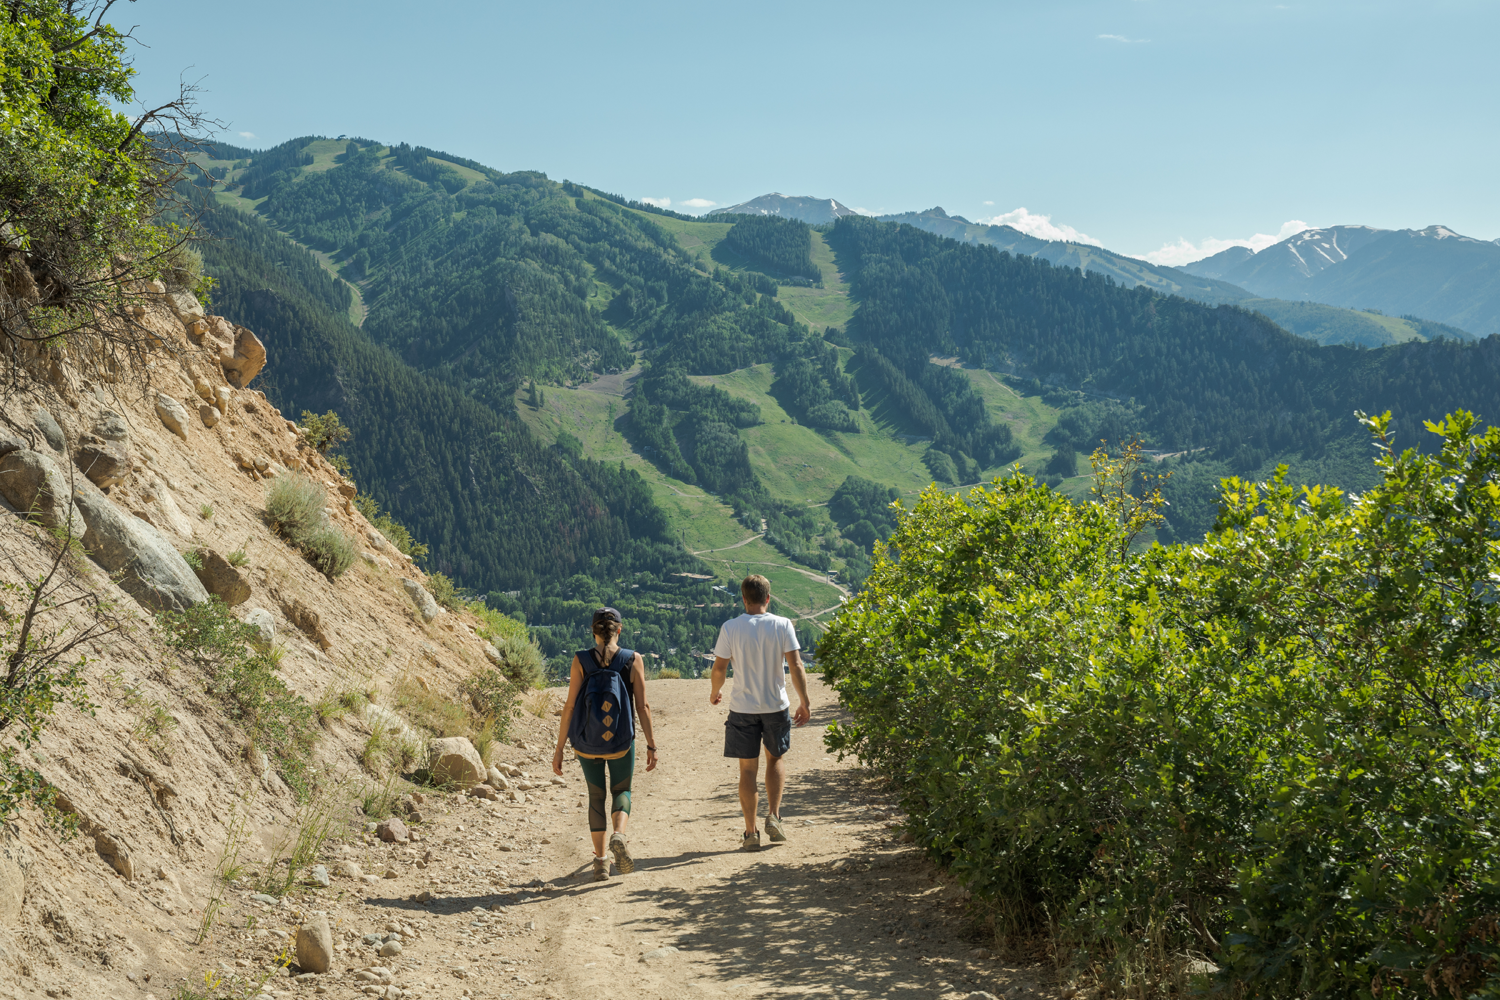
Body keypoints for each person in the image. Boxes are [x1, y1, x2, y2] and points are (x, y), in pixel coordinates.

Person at [552, 607, 658, 881]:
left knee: (596, 796)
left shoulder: (580, 660)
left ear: (593, 631)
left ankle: (601, 862)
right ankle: (619, 835)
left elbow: (571, 706)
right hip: (621, 742)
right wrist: (651, 745)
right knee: (622, 789)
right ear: (619, 629)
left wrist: (560, 747)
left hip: (586, 743)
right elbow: (643, 706)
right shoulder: (632, 659)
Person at [709, 574, 812, 850]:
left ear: (744, 599)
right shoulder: (782, 625)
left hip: (742, 708)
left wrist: (715, 692)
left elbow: (719, 668)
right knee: (775, 759)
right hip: (775, 706)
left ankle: (751, 832)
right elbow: (796, 665)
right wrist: (805, 701)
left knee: (747, 770)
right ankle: (775, 816)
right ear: (768, 598)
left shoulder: (731, 627)